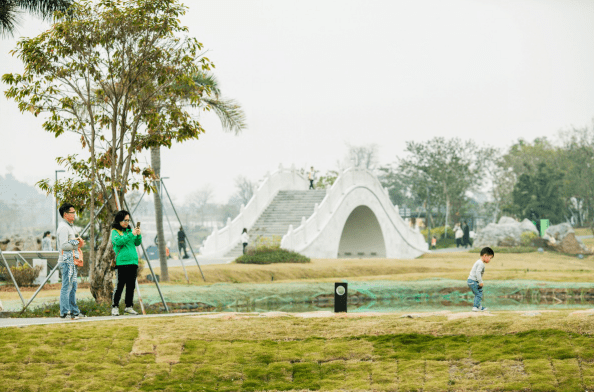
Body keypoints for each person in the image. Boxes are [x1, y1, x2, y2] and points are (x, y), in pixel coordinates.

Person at [111, 210, 142, 316]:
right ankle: (115, 306)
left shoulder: (130, 231)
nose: (126, 222)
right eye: (125, 220)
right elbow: (118, 242)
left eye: (128, 220)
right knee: (119, 286)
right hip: (121, 263)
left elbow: (137, 243)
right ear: (119, 220)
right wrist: (131, 234)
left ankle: (129, 307)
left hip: (133, 262)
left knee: (131, 286)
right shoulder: (115, 232)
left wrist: (138, 235)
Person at [57, 203, 84, 319]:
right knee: (67, 286)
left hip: (72, 261)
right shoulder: (63, 227)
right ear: (65, 214)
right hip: (66, 261)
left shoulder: (70, 226)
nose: (74, 214)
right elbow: (63, 245)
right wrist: (77, 244)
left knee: (73, 287)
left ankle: (74, 311)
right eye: (72, 212)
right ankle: (65, 311)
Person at [467, 246, 494, 312]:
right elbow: (477, 273)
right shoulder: (481, 263)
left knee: (480, 292)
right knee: (478, 294)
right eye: (490, 258)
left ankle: (479, 306)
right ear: (485, 255)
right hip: (473, 281)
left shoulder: (479, 262)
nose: (490, 260)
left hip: (472, 281)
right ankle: (475, 307)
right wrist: (480, 282)